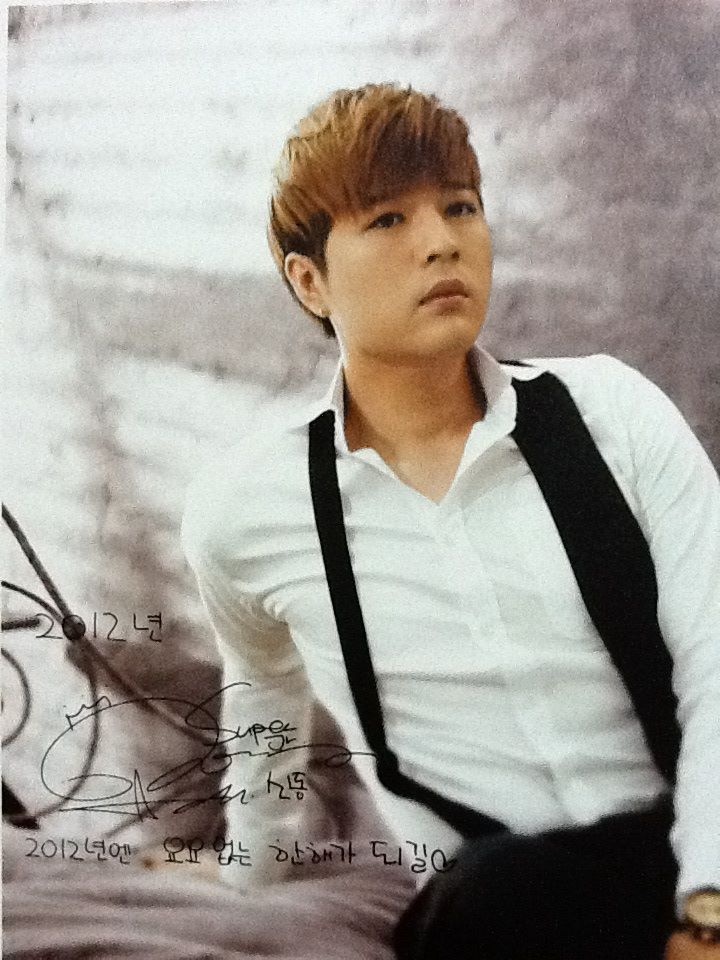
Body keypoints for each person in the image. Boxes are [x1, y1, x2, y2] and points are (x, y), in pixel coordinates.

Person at [181, 82, 720, 959]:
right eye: (388, 219)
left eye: (461, 206)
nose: (441, 241)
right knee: (500, 892)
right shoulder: (248, 509)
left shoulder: (612, 413)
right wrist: (244, 875)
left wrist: (707, 907)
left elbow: (715, 657)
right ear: (310, 280)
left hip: (698, 844)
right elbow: (263, 700)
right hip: (510, 908)